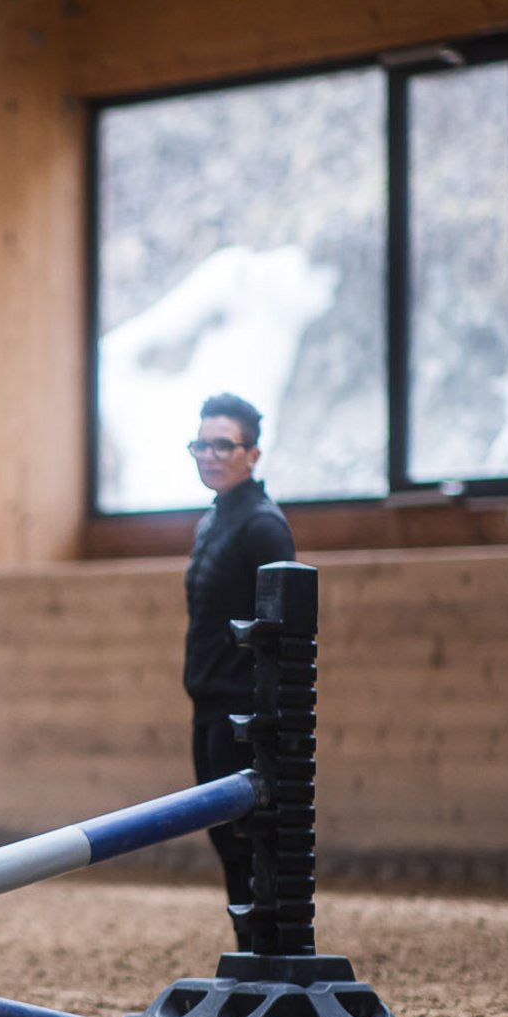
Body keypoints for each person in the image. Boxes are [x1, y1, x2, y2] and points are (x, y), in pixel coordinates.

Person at [181, 392, 295, 947]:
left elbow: (286, 625)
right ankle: (248, 940)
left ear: (252, 454)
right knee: (225, 835)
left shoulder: (262, 527)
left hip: (242, 711)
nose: (209, 454)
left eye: (222, 444)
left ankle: (264, 945)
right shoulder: (215, 520)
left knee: (246, 835)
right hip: (208, 703)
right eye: (200, 444)